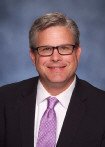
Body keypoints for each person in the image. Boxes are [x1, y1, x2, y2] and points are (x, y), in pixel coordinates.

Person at [0, 12, 105, 147]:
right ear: (33, 56)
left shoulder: (101, 107)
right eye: (46, 49)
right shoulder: (4, 99)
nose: (55, 57)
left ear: (77, 53)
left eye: (64, 48)